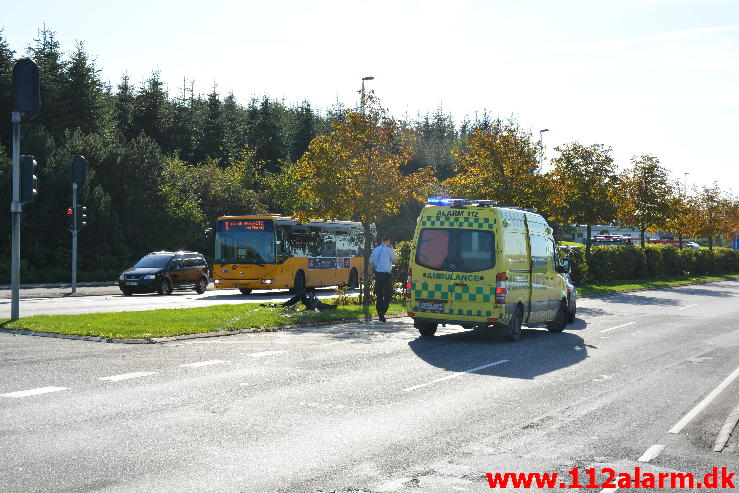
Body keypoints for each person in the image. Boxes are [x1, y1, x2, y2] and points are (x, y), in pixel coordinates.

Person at [369, 235, 397, 322]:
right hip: (386, 275)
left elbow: (370, 263)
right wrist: (392, 250)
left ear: (382, 241)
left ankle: (379, 312)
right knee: (389, 293)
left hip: (378, 275)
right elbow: (396, 261)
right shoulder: (389, 250)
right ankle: (383, 311)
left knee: (379, 294)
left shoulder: (376, 250)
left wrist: (369, 275)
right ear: (388, 241)